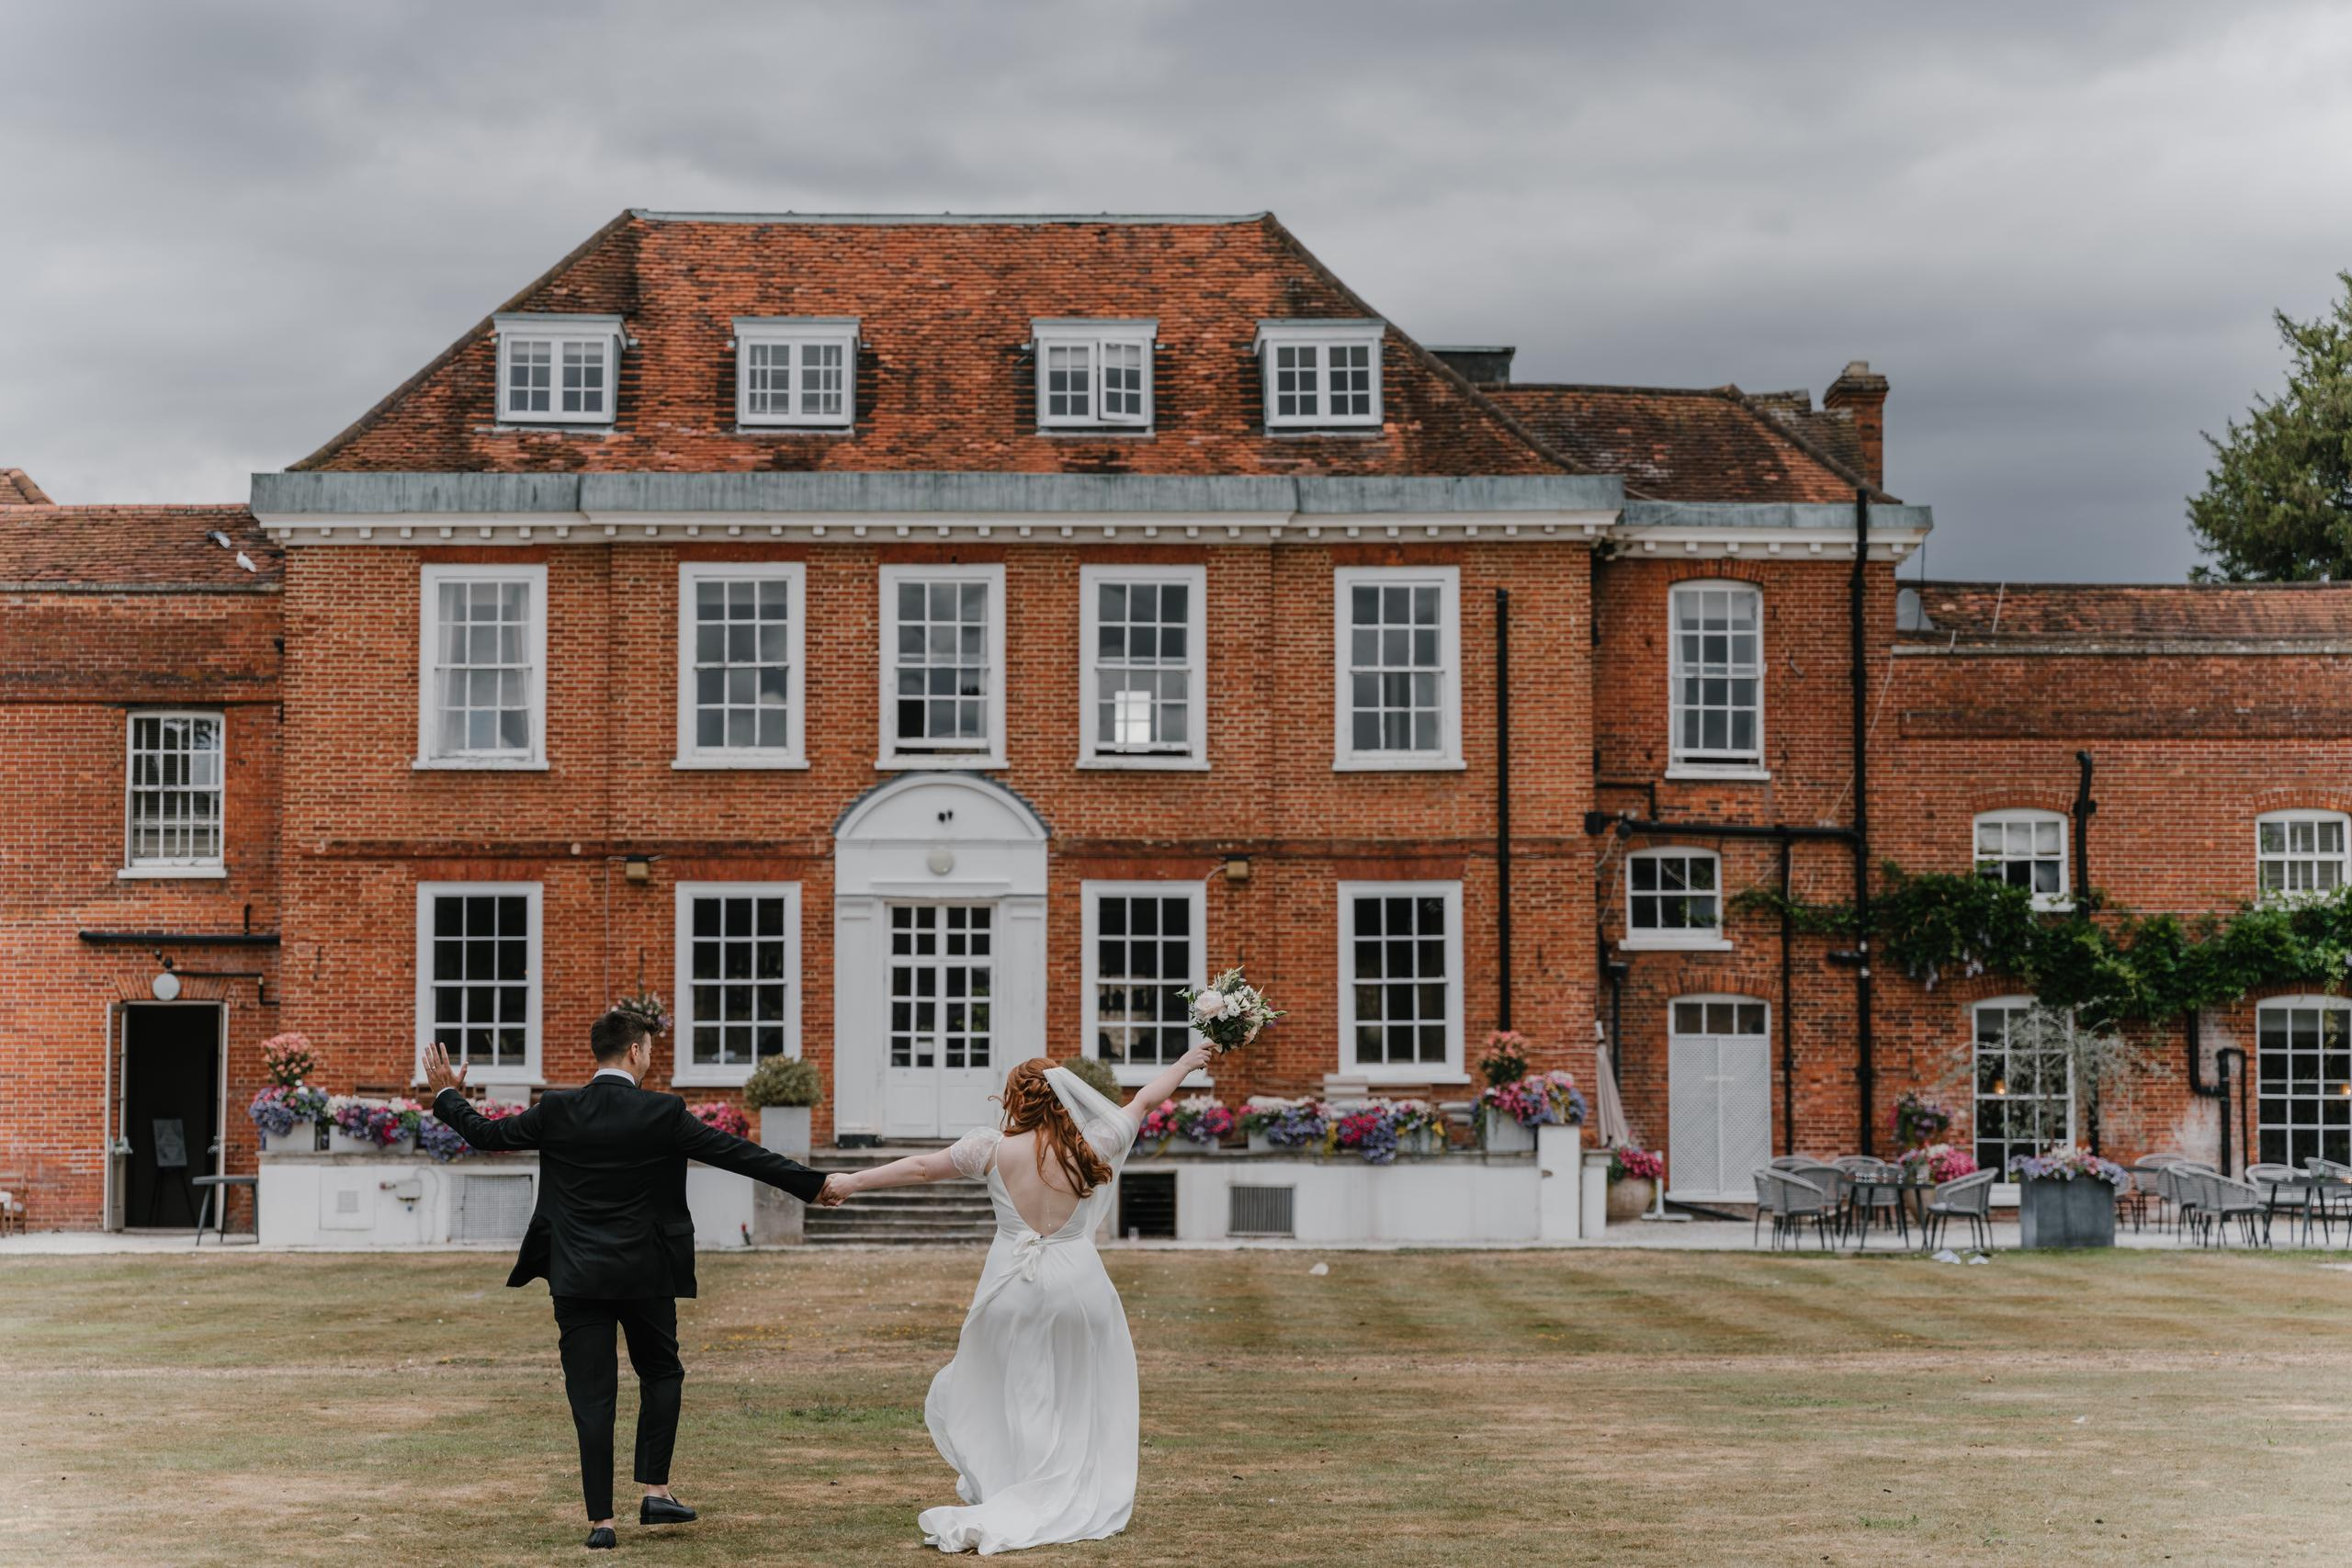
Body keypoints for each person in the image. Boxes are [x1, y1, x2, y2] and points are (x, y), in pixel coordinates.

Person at [424, 1010, 844, 1551]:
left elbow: (485, 1134)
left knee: (591, 1398)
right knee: (661, 1373)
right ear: (636, 1052)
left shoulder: (557, 1109)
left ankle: (602, 1522)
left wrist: (447, 1097)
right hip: (647, 1273)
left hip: (575, 1277)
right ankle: (656, 1489)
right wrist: (814, 1186)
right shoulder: (663, 1112)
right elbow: (739, 1155)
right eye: (650, 1050)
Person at [825, 1039, 1216, 1554]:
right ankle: (1065, 1486)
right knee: (1078, 1390)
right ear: (1064, 1098)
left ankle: (1022, 1483)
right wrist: (1187, 1062)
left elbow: (920, 1168)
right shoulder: (1095, 1143)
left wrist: (851, 1180)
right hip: (1081, 1284)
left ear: (1017, 1099)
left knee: (1014, 1390)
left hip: (1014, 1286)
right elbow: (1145, 1098)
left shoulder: (991, 1149)